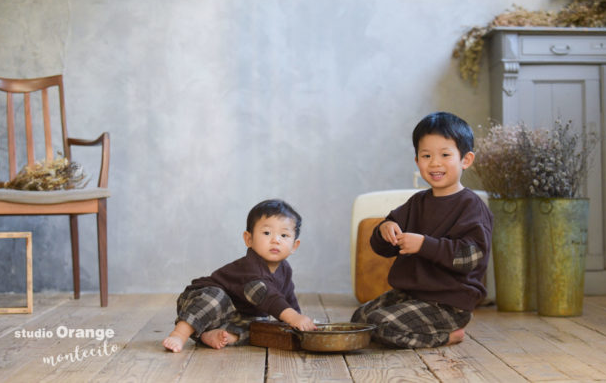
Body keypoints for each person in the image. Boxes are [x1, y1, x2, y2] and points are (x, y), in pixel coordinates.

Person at [351, 111, 493, 348]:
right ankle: (405, 331)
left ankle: (446, 336)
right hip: (410, 294)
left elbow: (470, 257)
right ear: (417, 161)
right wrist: (385, 229)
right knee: (360, 320)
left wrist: (424, 245)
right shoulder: (417, 202)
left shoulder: (471, 206)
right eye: (426, 155)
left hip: (448, 303)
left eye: (445, 155)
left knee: (381, 323)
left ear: (465, 160)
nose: (435, 163)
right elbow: (381, 246)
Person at [163, 199, 316, 352]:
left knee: (261, 325)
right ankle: (180, 334)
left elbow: (287, 299)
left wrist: (297, 322)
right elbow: (264, 294)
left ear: (294, 246)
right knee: (216, 298)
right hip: (202, 300)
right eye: (267, 233)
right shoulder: (250, 266)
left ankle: (216, 335)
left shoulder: (285, 270)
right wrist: (293, 317)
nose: (276, 240)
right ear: (249, 239)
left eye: (284, 235)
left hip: (235, 316)